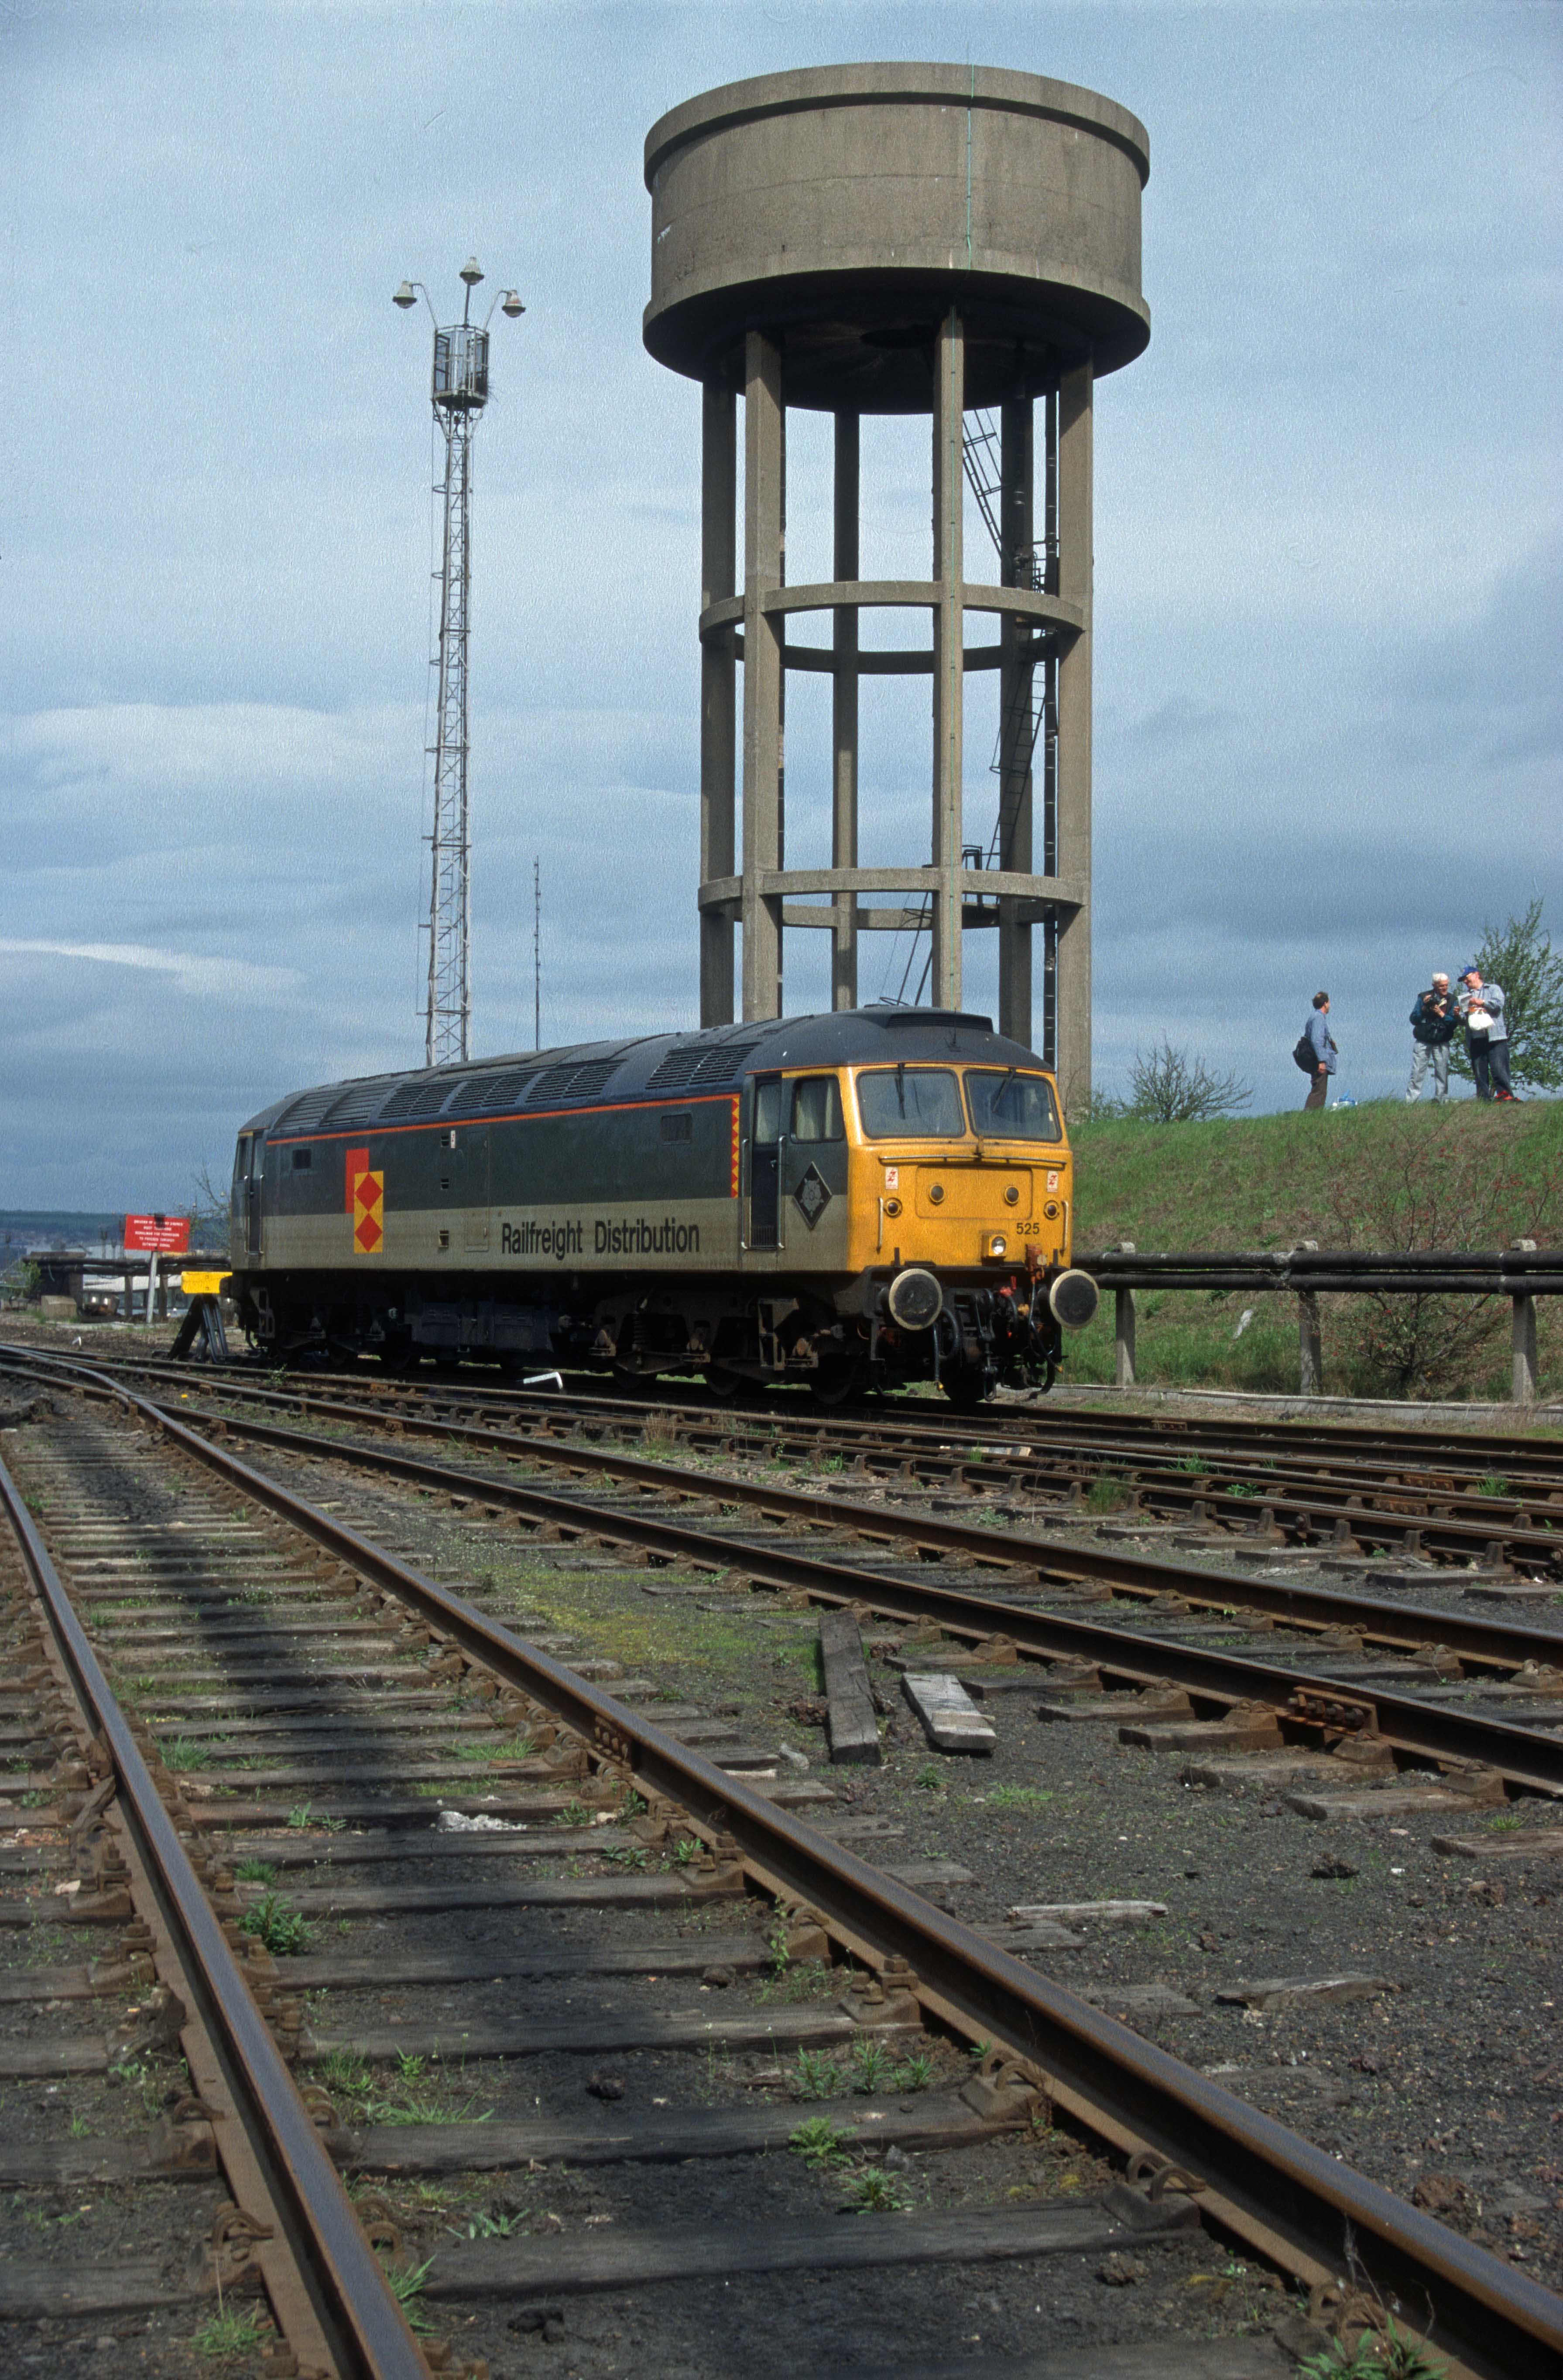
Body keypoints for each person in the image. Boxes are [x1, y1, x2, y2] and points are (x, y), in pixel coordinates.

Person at [1458, 968, 1515, 1101]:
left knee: (1499, 1069)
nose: (1465, 982)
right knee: (1479, 1072)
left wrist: (1482, 1002)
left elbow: (1498, 1006)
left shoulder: (1493, 989)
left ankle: (1505, 1097)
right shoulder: (1464, 996)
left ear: (1477, 975)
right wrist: (1457, 1015)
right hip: (1476, 1038)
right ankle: (1484, 1100)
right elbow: (1463, 1021)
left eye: (1467, 978)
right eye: (1463, 980)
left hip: (1496, 1037)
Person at [1405, 972, 1456, 1102]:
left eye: (1446, 985)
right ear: (1434, 986)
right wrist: (1424, 1007)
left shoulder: (1452, 999)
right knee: (1418, 1072)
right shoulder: (1423, 997)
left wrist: (1441, 1014)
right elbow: (1414, 1019)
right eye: (1441, 986)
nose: (1445, 988)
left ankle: (1441, 1100)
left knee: (1442, 1072)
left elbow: (1453, 1023)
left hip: (1442, 1039)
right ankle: (1412, 1101)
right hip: (1424, 1039)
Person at [1303, 991, 1336, 1110]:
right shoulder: (1318, 1018)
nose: (1330, 1005)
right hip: (1319, 1061)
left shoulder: (1316, 1017)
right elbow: (1317, 1040)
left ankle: (1312, 1117)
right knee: (1319, 1092)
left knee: (1319, 1090)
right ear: (1325, 1004)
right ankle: (1310, 1117)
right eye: (1329, 1003)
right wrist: (1322, 1061)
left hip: (1315, 1059)